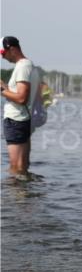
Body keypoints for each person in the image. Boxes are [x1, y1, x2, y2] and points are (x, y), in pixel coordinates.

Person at [1, 36, 39, 174]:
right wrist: (5, 88)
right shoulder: (27, 65)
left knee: (15, 167)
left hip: (16, 120)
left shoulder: (22, 66)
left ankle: (14, 195)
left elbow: (22, 98)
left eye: (2, 53)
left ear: (12, 49)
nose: (2, 57)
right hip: (22, 120)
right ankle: (23, 193)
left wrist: (2, 91)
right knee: (22, 167)